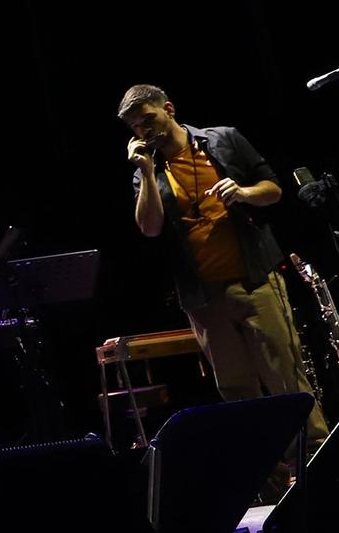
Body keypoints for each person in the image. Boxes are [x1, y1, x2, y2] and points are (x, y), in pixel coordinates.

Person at [118, 83, 327, 474]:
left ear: (169, 108)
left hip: (254, 280)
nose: (144, 131)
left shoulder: (223, 140)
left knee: (285, 375)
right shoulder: (149, 171)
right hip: (204, 299)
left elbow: (274, 190)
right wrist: (145, 171)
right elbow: (149, 228)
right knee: (236, 390)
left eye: (148, 119)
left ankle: (315, 462)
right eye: (135, 127)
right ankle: (271, 478)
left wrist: (244, 192)